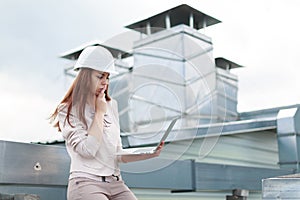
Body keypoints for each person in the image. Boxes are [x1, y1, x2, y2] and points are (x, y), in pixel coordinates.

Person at [49, 45, 164, 200]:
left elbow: (117, 154)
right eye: (100, 76)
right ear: (85, 76)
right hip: (86, 182)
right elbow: (88, 150)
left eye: (107, 77)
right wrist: (99, 112)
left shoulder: (111, 105)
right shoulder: (68, 109)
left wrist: (149, 153)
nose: (105, 83)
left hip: (115, 182)